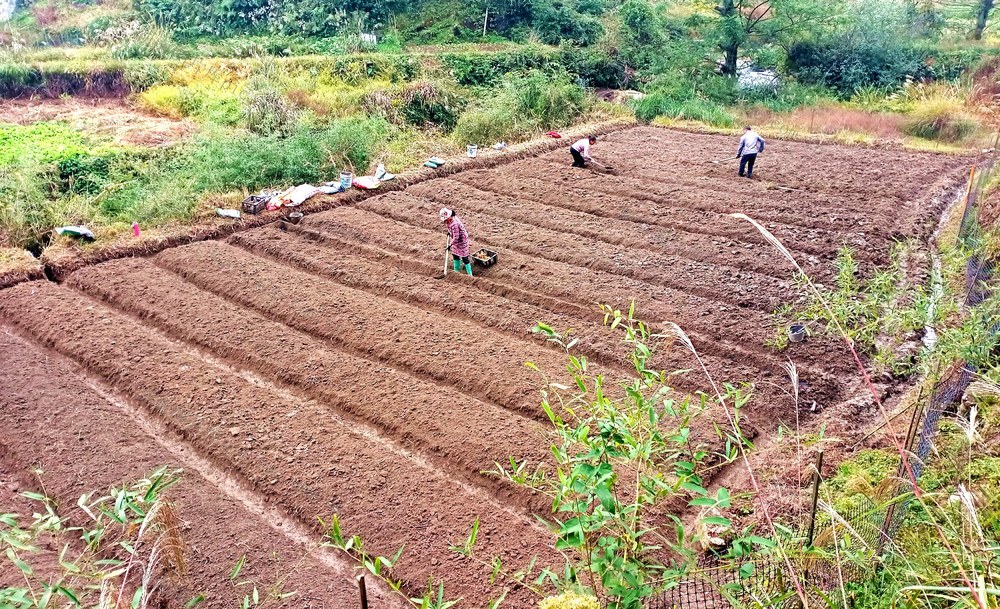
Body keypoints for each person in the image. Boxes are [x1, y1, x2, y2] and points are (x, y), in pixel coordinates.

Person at [440, 208, 473, 276]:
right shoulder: (449, 220)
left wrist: (450, 245)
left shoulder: (454, 224)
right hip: (455, 240)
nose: (445, 221)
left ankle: (470, 275)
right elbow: (451, 230)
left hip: (461, 241)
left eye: (446, 219)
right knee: (455, 254)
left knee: (464, 258)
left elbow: (456, 237)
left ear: (449, 216)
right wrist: (449, 232)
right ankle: (456, 271)